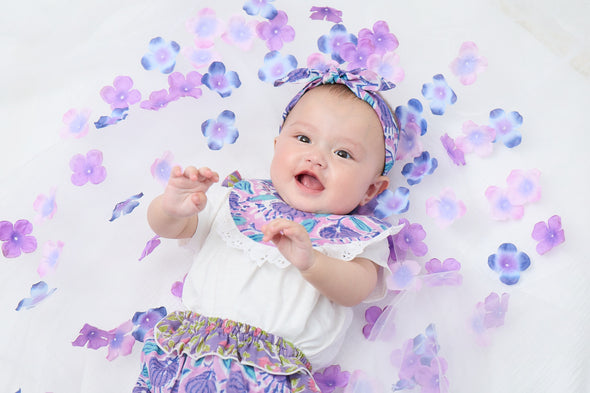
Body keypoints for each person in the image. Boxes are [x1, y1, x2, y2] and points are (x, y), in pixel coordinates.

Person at [134, 67, 402, 393]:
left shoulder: (358, 236)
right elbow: (171, 229)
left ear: (371, 190)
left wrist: (312, 263)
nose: (316, 157)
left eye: (343, 153)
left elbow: (357, 288)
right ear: (276, 146)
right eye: (303, 139)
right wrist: (171, 207)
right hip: (188, 358)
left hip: (275, 375)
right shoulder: (236, 200)